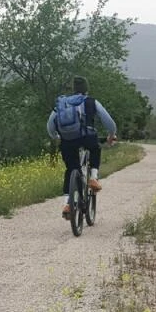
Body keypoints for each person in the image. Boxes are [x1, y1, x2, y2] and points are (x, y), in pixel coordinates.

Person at [47, 76, 117, 218]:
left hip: (67, 141)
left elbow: (50, 125)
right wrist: (111, 135)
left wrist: (57, 137)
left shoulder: (63, 103)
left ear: (73, 89)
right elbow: (109, 122)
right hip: (87, 138)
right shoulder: (91, 102)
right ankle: (93, 177)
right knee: (95, 148)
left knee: (71, 169)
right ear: (86, 89)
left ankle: (67, 203)